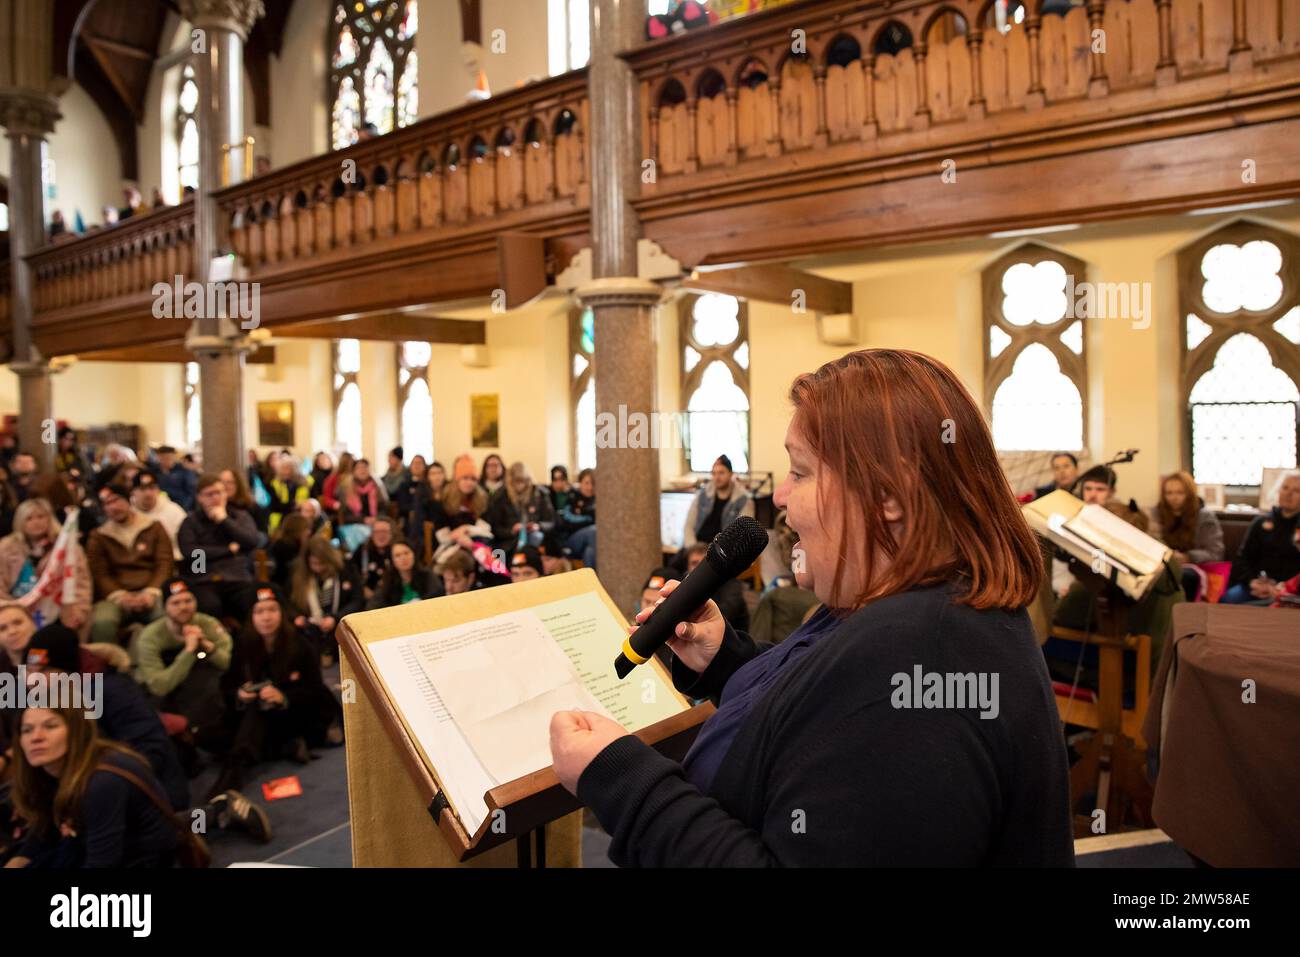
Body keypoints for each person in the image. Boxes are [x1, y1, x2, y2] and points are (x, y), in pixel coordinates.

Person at [549, 349, 1073, 866]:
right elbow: (820, 706)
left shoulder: (913, 658)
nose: (780, 497)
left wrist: (622, 780)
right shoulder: (910, 600)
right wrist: (725, 659)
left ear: (888, 494)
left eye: (800, 472)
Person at [23, 622, 191, 813]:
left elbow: (150, 751)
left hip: (151, 798)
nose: (32, 680)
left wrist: (95, 789)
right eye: (29, 671)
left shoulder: (113, 692)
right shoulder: (46, 698)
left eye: (44, 671)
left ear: (68, 671)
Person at [207, 586, 342, 796]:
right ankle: (280, 748)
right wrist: (240, 694)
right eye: (259, 612)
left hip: (295, 712)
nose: (266, 617)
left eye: (272, 610)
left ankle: (232, 775)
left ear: (282, 613)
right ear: (251, 616)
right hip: (258, 711)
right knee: (212, 736)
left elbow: (315, 690)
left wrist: (284, 697)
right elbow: (227, 684)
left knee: (255, 719)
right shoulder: (243, 643)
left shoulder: (300, 644)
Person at [4, 706, 177, 868]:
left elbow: (102, 864)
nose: (36, 737)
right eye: (27, 730)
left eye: (50, 726)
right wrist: (19, 859)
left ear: (76, 731)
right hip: (85, 848)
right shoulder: (51, 770)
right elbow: (45, 828)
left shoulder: (102, 781)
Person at [131, 578, 233, 732]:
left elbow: (229, 663)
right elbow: (159, 686)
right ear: (164, 607)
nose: (183, 607)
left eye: (188, 601)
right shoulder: (150, 636)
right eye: (176, 603)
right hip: (165, 696)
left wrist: (207, 646)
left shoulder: (208, 624)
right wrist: (189, 651)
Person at [85, 483, 173, 645]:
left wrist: (151, 592)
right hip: (116, 595)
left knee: (167, 616)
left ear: (128, 501)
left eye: (116, 501)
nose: (113, 507)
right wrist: (120, 596)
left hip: (151, 590)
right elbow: (100, 574)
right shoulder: (99, 536)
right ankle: (108, 667)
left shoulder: (153, 528)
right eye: (107, 504)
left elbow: (165, 564)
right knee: (102, 622)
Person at [0, 498, 92, 633]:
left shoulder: (68, 547)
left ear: (50, 519)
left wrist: (76, 612)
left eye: (40, 517)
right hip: (15, 610)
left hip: (57, 611)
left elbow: (81, 583)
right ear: (21, 522)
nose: (36, 522)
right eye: (29, 518)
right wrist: (11, 611)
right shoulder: (5, 548)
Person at [177, 474, 261, 622]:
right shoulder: (191, 522)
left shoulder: (239, 516)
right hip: (203, 576)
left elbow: (251, 541)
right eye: (210, 494)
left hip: (237, 577)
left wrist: (224, 521)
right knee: (208, 606)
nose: (216, 497)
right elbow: (192, 554)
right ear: (199, 498)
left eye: (219, 492)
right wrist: (228, 550)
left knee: (253, 603)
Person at [1223, 471, 1300, 604]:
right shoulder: (1260, 522)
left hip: (1290, 591)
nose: (1288, 494)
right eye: (1285, 488)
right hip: (1256, 586)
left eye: (1296, 490)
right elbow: (1243, 559)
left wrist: (1281, 587)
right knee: (1228, 601)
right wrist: (1252, 582)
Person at [1150, 470, 1225, 601]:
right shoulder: (1156, 514)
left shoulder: (1205, 517)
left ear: (1189, 494)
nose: (1174, 498)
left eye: (1180, 493)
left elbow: (1215, 552)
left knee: (1185, 576)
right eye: (1169, 493)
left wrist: (1187, 557)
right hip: (1164, 565)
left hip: (1197, 569)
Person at [289, 538, 363, 665]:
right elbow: (290, 602)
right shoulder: (299, 576)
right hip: (310, 632)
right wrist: (296, 617)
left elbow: (358, 600)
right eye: (314, 563)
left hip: (339, 629)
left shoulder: (346, 571)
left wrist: (336, 618)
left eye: (322, 563)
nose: (319, 568)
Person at [681, 454, 755, 552]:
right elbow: (689, 526)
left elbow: (742, 535)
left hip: (721, 553)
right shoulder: (703, 494)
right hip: (696, 548)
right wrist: (693, 550)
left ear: (731, 474)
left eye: (721, 473)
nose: (717, 477)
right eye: (714, 473)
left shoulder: (743, 500)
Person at [486, 461, 555, 554]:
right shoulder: (500, 496)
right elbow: (495, 527)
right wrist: (511, 531)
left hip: (534, 539)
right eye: (516, 481)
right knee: (498, 555)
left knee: (535, 537)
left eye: (523, 481)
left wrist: (538, 526)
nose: (520, 485)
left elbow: (551, 522)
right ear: (510, 481)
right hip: (507, 542)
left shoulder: (540, 494)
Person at [683, 541, 750, 633]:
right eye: (694, 563)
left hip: (730, 640)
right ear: (687, 567)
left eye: (702, 563)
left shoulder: (730, 582)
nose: (698, 568)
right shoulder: (685, 583)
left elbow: (725, 614)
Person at [366, 539, 442, 609]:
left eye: (406, 553)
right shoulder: (388, 581)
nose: (403, 558)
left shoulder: (427, 575)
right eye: (397, 555)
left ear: (413, 554)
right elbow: (373, 605)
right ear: (392, 561)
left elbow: (437, 597)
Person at [131, 470, 186, 560]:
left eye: (152, 488)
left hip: (172, 561)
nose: (148, 493)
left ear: (158, 490)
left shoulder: (174, 511)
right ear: (133, 492)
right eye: (142, 489)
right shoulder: (128, 514)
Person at [351, 514, 397, 598]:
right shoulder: (363, 550)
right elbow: (351, 573)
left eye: (385, 531)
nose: (381, 535)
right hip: (366, 597)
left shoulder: (398, 550)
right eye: (377, 532)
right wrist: (362, 588)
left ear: (392, 533)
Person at [559, 468, 596, 567]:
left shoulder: (599, 499)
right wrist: (589, 518)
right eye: (586, 483)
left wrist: (586, 514)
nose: (590, 487)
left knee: (590, 552)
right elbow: (567, 523)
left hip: (592, 543)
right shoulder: (572, 497)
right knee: (593, 530)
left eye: (593, 483)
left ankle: (591, 582)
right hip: (572, 541)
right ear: (580, 483)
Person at [266, 455, 309, 535]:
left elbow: (304, 504)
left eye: (288, 468)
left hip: (298, 519)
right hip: (279, 521)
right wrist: (293, 504)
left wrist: (292, 505)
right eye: (283, 468)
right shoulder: (275, 483)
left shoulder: (303, 483)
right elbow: (275, 506)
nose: (285, 471)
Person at [153, 446, 197, 511]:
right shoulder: (154, 471)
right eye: (164, 458)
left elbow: (191, 493)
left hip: (181, 506)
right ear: (158, 457)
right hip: (160, 507)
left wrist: (184, 508)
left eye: (170, 458)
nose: (168, 461)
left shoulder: (184, 471)